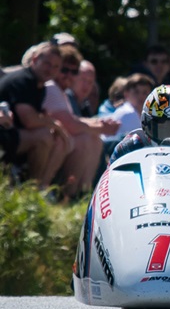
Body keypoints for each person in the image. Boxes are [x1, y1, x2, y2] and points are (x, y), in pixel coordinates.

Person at [43, 45, 119, 199]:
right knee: (85, 139)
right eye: (64, 70)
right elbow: (69, 123)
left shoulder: (61, 92)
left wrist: (98, 125)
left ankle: (83, 193)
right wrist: (100, 126)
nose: (69, 75)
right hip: (46, 139)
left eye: (74, 71)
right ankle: (66, 194)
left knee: (93, 140)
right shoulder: (51, 87)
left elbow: (72, 121)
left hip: (55, 139)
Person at [0, 42, 70, 188]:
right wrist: (55, 125)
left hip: (12, 135)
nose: (50, 69)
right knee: (43, 137)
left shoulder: (40, 86)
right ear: (34, 60)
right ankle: (32, 188)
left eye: (56, 67)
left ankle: (43, 187)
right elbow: (29, 121)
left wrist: (50, 125)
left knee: (55, 139)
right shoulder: (22, 80)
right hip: (4, 136)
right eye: (47, 63)